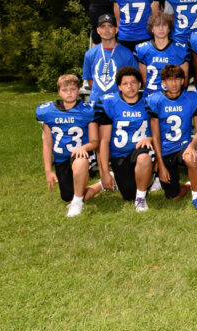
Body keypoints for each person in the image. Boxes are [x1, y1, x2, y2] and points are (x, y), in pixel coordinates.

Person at [36, 74, 101, 217]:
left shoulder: (88, 110)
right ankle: (100, 185)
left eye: (73, 89)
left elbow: (95, 141)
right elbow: (47, 144)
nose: (69, 93)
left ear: (79, 90)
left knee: (80, 161)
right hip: (61, 159)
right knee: (67, 197)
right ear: (59, 91)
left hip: (82, 156)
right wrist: (48, 170)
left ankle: (77, 203)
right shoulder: (48, 112)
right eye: (65, 90)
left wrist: (84, 148)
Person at [146, 65, 197, 210]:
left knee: (191, 158)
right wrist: (160, 165)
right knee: (173, 196)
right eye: (169, 79)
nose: (173, 83)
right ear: (164, 82)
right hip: (165, 150)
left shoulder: (191, 98)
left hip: (183, 147)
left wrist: (191, 146)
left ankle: (196, 198)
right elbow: (155, 136)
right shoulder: (155, 100)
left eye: (177, 79)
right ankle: (189, 184)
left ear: (182, 81)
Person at [94, 66, 154, 211]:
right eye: (125, 83)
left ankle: (141, 199)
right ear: (119, 86)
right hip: (119, 154)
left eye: (133, 82)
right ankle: (135, 180)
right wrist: (105, 172)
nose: (130, 87)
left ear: (140, 84)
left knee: (144, 158)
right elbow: (104, 141)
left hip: (140, 151)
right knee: (128, 195)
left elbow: (160, 131)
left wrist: (150, 138)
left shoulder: (149, 102)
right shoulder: (110, 103)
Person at [82, 13, 138, 103]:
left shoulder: (127, 54)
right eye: (103, 26)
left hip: (119, 103)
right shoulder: (90, 54)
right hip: (97, 103)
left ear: (116, 30)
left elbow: (134, 80)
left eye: (110, 26)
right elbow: (90, 80)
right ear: (98, 30)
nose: (106, 29)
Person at [135, 12, 189, 97]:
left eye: (164, 25)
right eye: (157, 25)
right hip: (151, 96)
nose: (161, 28)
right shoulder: (143, 49)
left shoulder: (180, 49)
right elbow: (144, 80)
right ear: (151, 29)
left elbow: (184, 80)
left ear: (169, 28)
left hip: (173, 97)